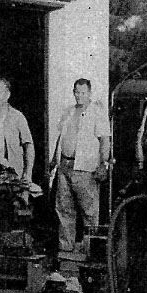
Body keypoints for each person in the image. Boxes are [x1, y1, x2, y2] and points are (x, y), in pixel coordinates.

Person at [49, 78, 111, 254]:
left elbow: (105, 140)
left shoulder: (97, 112)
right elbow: (60, 138)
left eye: (83, 92)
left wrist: (103, 164)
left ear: (89, 93)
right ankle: (66, 249)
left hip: (85, 169)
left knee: (89, 212)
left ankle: (90, 252)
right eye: (77, 92)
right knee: (63, 209)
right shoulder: (69, 111)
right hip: (65, 166)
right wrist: (54, 160)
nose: (79, 96)